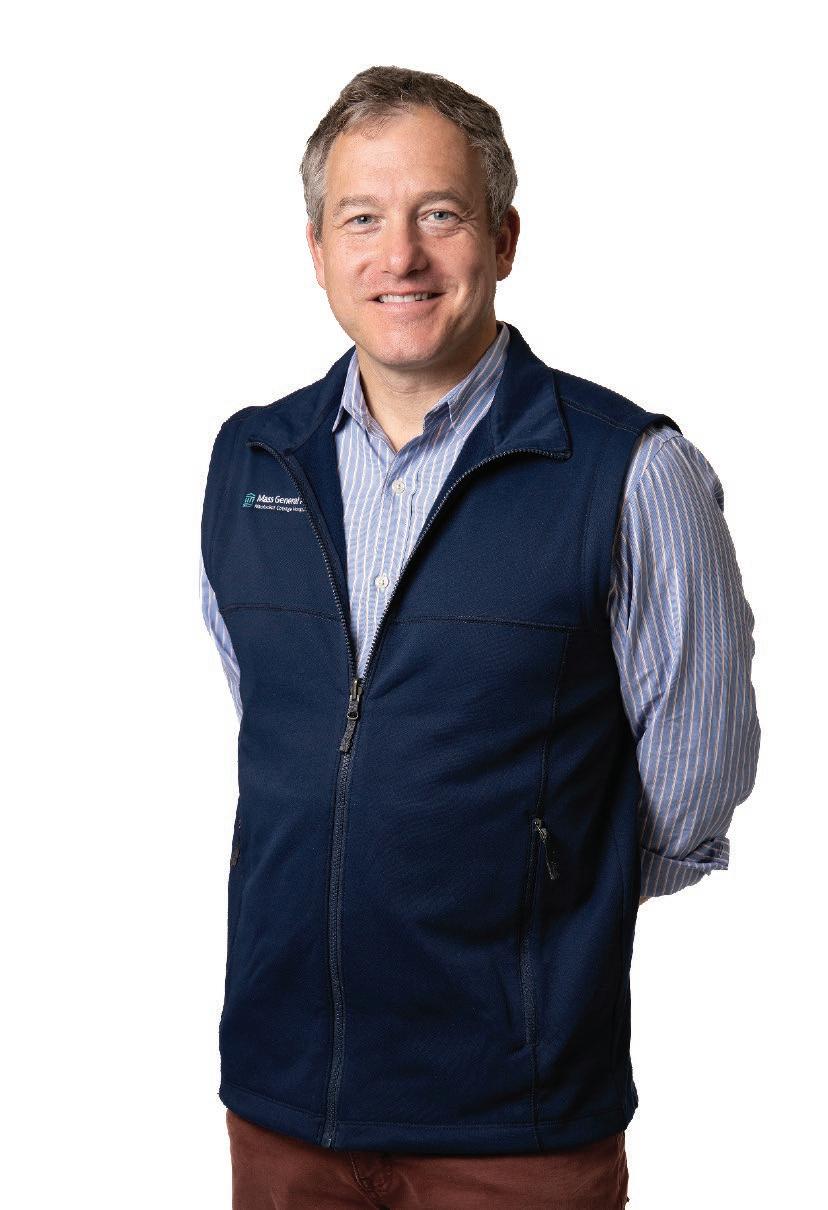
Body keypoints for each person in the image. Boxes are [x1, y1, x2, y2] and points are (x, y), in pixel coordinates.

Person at [199, 65, 761, 1210]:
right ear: (317, 249)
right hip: (283, 1099)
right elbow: (287, 727)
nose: (399, 257)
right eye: (362, 218)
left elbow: (693, 785)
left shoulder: (629, 471)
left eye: (440, 214)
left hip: (514, 1122)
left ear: (503, 238)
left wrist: (544, 892)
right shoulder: (250, 460)